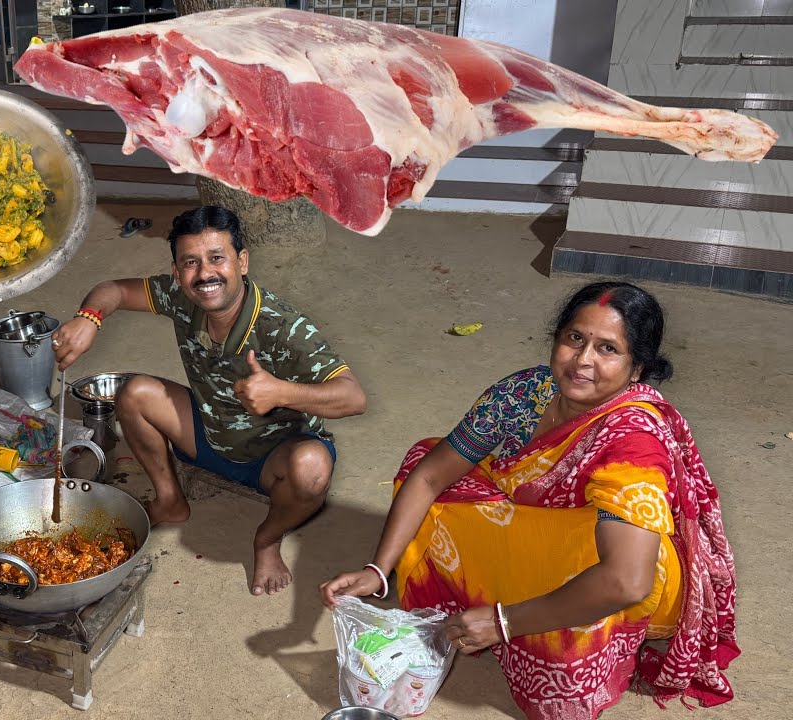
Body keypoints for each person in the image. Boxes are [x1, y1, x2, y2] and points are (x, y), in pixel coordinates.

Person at [319, 282, 739, 720]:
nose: (583, 360)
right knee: (425, 458)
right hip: (540, 542)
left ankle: (524, 619)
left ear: (636, 369)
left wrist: (504, 623)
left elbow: (627, 580)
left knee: (570, 620)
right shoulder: (524, 394)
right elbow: (429, 476)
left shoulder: (633, 441)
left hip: (607, 572)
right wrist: (377, 569)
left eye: (608, 349)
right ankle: (493, 599)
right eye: (574, 338)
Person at [53, 206, 366, 596]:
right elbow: (113, 290)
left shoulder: (284, 327)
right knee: (133, 393)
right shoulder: (182, 296)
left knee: (313, 468)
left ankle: (267, 539)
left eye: (217, 258)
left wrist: (281, 392)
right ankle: (169, 501)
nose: (205, 274)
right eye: (191, 263)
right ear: (177, 270)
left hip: (274, 459)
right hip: (206, 435)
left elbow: (353, 397)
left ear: (242, 262)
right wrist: (88, 318)